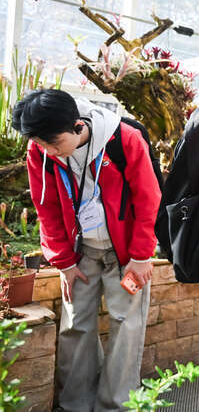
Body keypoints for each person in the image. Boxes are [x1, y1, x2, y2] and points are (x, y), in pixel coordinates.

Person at [12, 89, 161, 412]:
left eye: (55, 144)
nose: (50, 152)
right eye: (41, 145)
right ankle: (75, 405)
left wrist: (141, 256)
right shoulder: (40, 150)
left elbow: (148, 199)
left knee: (126, 328)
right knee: (75, 326)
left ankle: (116, 406)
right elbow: (46, 207)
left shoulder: (125, 140)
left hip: (125, 256)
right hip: (80, 254)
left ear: (78, 126)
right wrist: (63, 263)